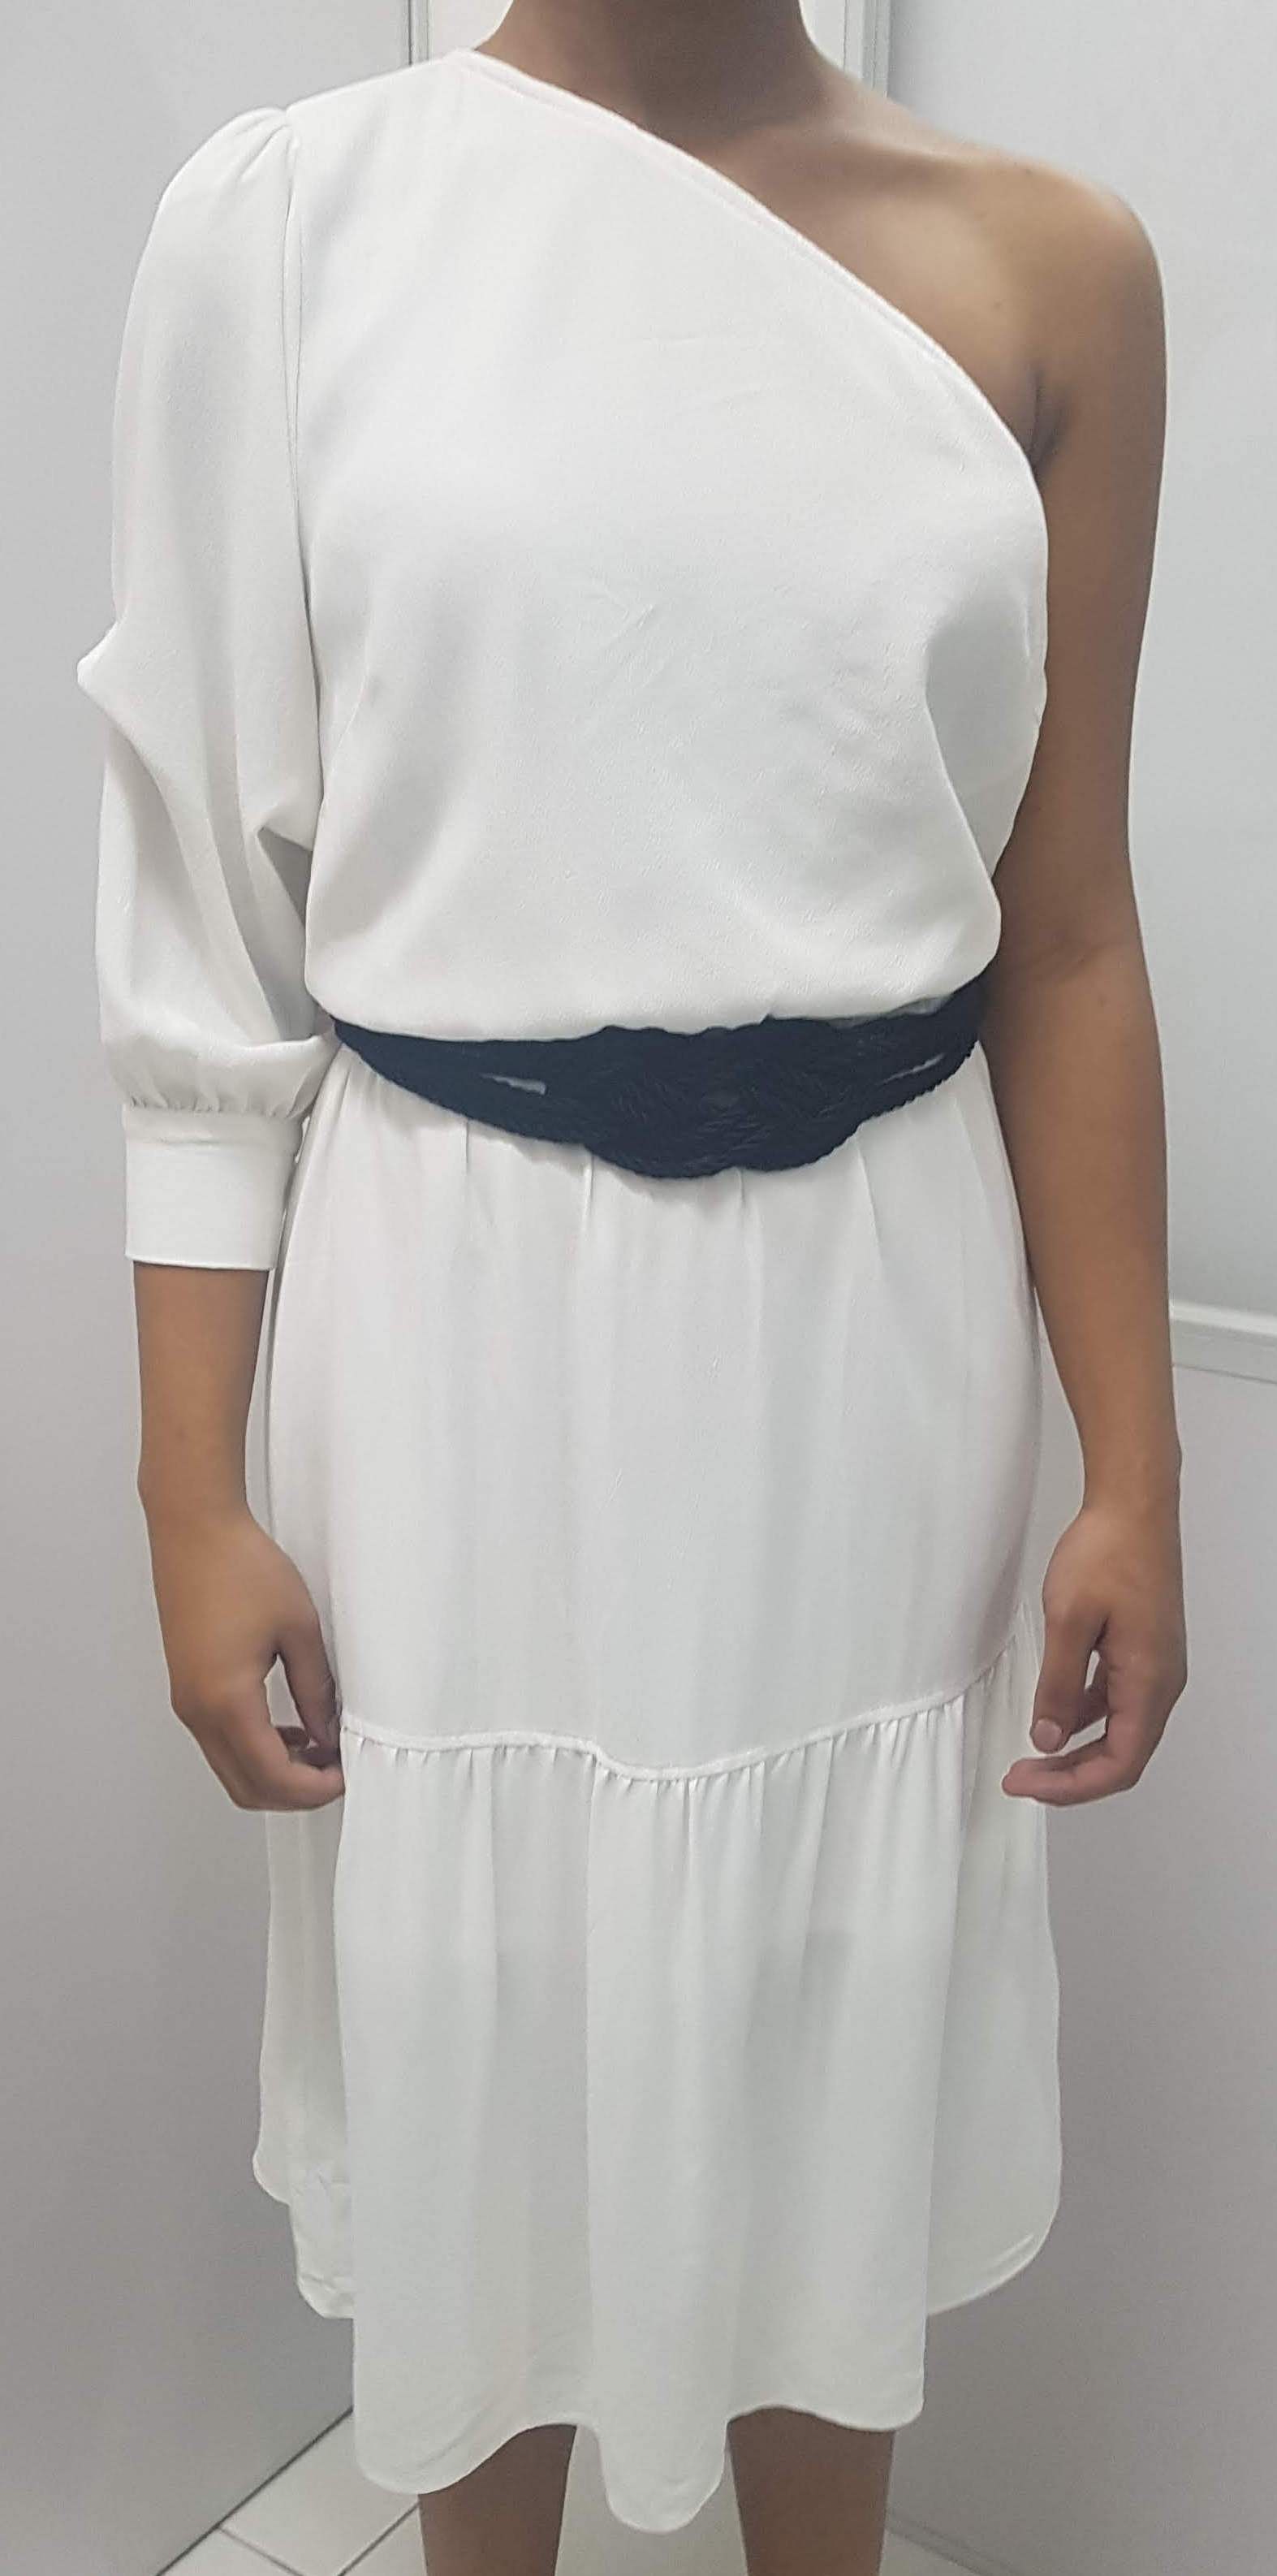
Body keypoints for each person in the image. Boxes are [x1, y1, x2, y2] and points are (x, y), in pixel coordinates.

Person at [75, 5, 1187, 2572]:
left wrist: (1135, 1461)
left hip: (870, 1319)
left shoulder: (1056, 274)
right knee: (479, 2011)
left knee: (822, 1997)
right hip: (450, 1315)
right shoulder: (293, 226)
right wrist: (185, 1490)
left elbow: (1069, 929)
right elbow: (207, 939)